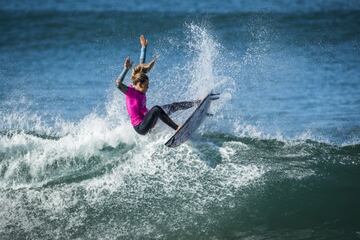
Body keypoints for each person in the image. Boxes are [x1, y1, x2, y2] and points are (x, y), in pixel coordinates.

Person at [115, 35, 199, 135]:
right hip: (141, 127)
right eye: (146, 86)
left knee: (172, 106)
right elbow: (118, 84)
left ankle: (196, 103)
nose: (148, 88)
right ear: (138, 84)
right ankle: (177, 128)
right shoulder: (130, 92)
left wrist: (143, 47)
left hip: (148, 120)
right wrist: (126, 69)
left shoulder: (140, 82)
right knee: (156, 109)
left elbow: (142, 65)